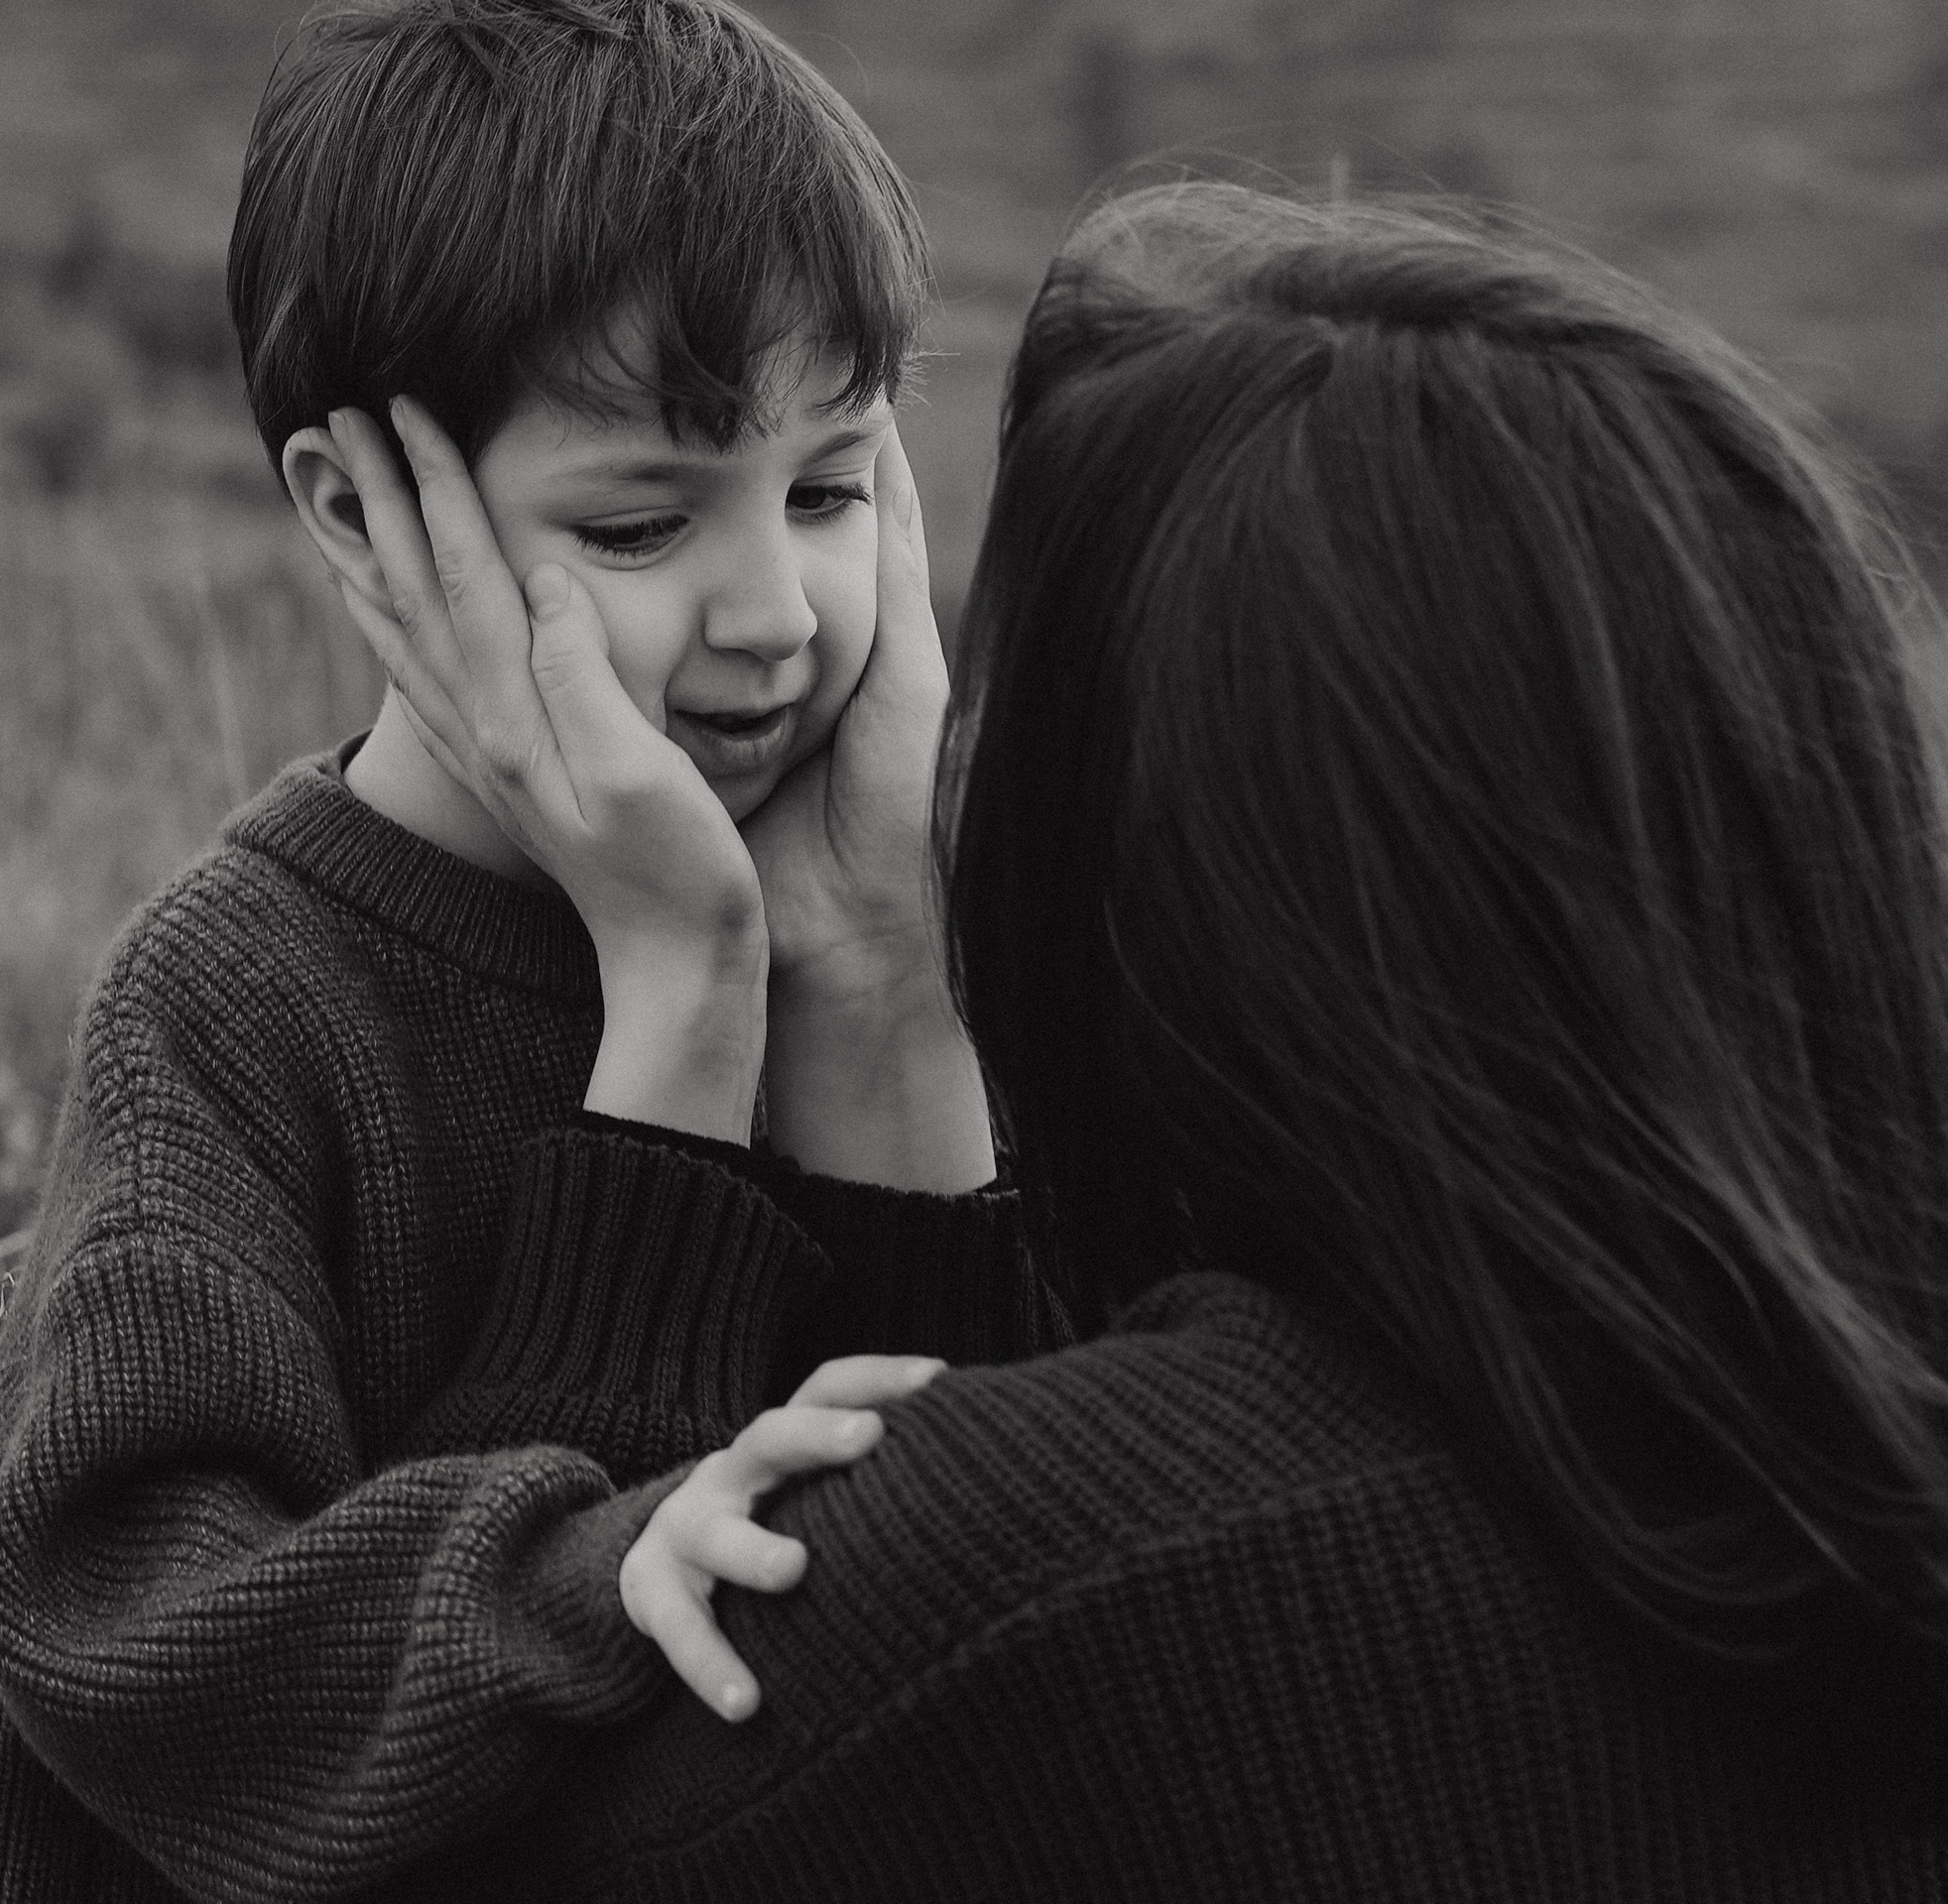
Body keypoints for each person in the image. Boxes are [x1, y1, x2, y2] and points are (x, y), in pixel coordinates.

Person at [336, 182, 1948, 1898]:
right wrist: (879, 992)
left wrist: (679, 1010)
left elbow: (403, 1852)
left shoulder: (1029, 1578)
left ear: (1157, 848)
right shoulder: (1839, 1475)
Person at [0, 3, 1065, 1898]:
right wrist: (682, 1018)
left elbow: (1005, 1660)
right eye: (642, 523)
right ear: (359, 513)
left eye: (826, 491)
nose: (779, 613)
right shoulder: (240, 1000)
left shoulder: (915, 924)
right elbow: (126, 1654)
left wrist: (880, 985)